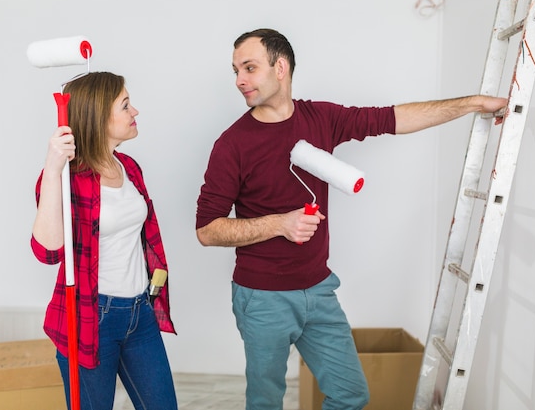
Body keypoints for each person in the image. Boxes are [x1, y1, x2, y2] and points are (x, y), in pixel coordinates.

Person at [195, 28, 507, 410]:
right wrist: (280, 223)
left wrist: (473, 104)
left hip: (319, 290)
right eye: (235, 70)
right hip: (262, 298)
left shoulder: (321, 119)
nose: (239, 80)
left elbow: (393, 118)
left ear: (281, 67)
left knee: (351, 394)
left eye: (249, 67)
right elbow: (207, 230)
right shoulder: (233, 143)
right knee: (266, 402)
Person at [31, 72, 178, 410]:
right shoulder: (68, 177)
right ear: (99, 117)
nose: (135, 112)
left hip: (140, 313)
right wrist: (53, 169)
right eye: (125, 105)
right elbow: (48, 251)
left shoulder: (128, 167)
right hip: (90, 315)